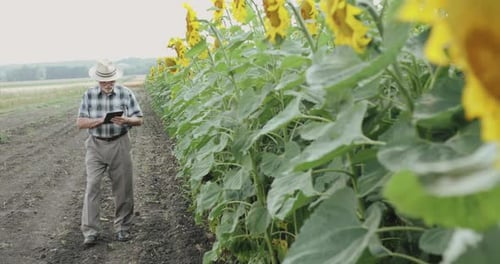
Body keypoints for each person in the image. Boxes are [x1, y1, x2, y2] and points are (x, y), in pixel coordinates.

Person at [76, 59, 143, 246]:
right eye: (104, 82)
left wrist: (126, 120)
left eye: (111, 81)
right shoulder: (88, 95)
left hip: (119, 143)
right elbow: (80, 123)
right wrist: (98, 121)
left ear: (115, 79)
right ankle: (90, 231)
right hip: (95, 145)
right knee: (92, 186)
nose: (108, 85)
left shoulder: (125, 93)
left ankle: (123, 227)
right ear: (98, 81)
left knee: (123, 187)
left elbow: (139, 119)